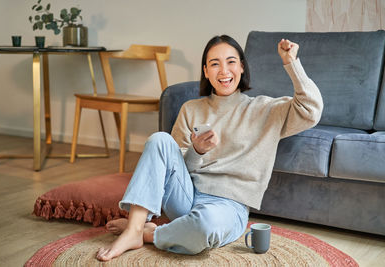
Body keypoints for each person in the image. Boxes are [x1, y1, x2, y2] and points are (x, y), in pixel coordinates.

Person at [96, 35, 323, 261]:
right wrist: (197, 151)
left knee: (204, 226)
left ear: (242, 67)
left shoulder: (265, 109)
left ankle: (152, 233)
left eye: (231, 62)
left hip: (228, 207)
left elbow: (311, 111)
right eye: (215, 64)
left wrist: (291, 62)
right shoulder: (191, 109)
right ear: (206, 71)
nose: (224, 71)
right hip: (186, 196)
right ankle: (135, 229)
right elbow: (173, 169)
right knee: (159, 140)